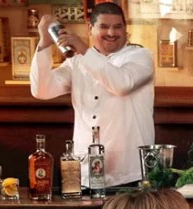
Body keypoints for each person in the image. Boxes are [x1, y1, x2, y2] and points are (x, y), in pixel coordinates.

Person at [31, 3, 154, 186]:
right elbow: (42, 90)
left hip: (130, 172)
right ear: (90, 28)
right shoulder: (77, 62)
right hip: (85, 171)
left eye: (117, 26)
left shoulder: (140, 56)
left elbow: (121, 84)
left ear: (125, 28)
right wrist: (44, 44)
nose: (111, 32)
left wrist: (82, 48)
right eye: (104, 26)